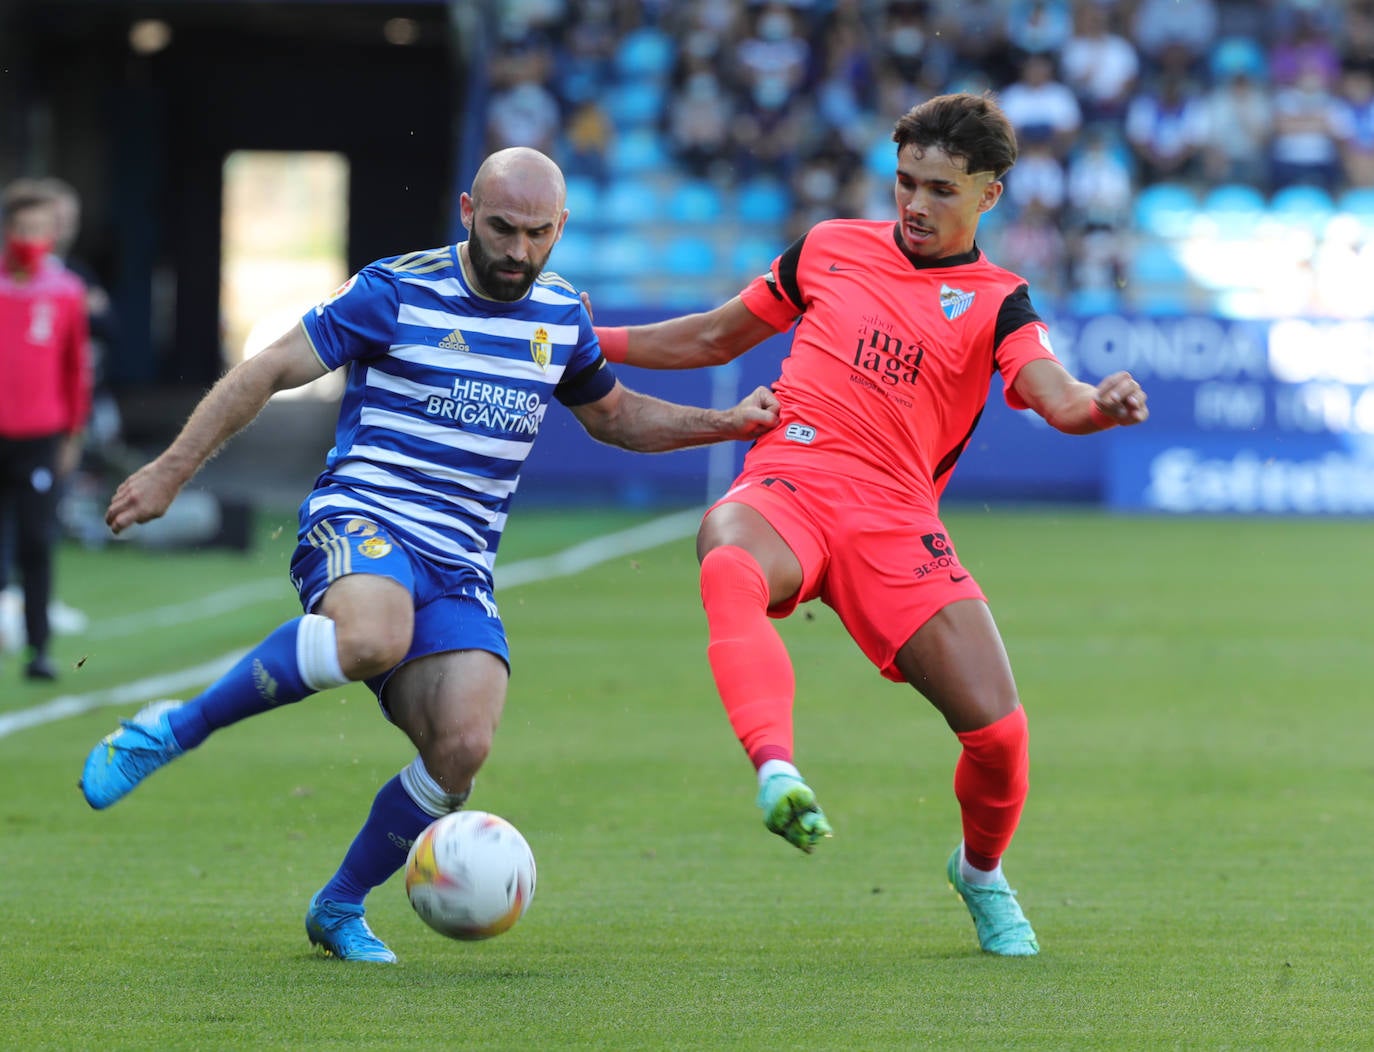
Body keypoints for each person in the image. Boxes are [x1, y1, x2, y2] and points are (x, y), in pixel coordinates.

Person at [78, 147, 780, 963]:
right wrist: (170, 470)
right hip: (363, 518)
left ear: (562, 229)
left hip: (459, 566)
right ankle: (173, 729)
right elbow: (268, 370)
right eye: (503, 228)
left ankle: (339, 907)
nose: (518, 251)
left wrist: (724, 425)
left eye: (537, 233)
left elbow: (616, 418)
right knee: (371, 635)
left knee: (462, 748)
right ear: (466, 210)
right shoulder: (395, 290)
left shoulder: (559, 316)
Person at [592, 93, 1148, 957]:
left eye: (940, 190)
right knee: (728, 554)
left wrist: (1097, 407)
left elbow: (1053, 393)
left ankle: (980, 872)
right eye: (905, 183)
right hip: (792, 477)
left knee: (1000, 739)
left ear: (989, 197)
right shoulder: (829, 248)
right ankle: (776, 769)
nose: (916, 205)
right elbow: (710, 339)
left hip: (894, 524)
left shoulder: (1000, 300)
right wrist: (587, 340)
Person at [0, 178, 91, 680]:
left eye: (41, 228)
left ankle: (38, 650)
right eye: (22, 227)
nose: (31, 237)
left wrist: (72, 435)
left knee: (37, 538)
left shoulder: (66, 292)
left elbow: (76, 369)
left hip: (40, 435)